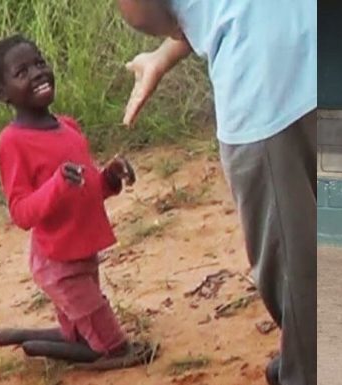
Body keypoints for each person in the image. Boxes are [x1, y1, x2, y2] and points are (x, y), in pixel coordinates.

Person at [115, 1, 316, 384]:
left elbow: (146, 13)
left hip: (268, 87)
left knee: (297, 271)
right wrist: (165, 54)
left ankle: (305, 368)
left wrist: (170, 33)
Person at [0, 34, 153, 369]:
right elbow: (22, 212)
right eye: (22, 72)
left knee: (82, 330)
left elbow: (87, 191)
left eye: (40, 63)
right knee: (112, 341)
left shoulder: (68, 127)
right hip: (57, 260)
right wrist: (56, 185)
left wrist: (110, 178)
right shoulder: (11, 142)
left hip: (83, 250)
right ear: (2, 94)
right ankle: (104, 353)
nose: (38, 73)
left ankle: (35, 341)